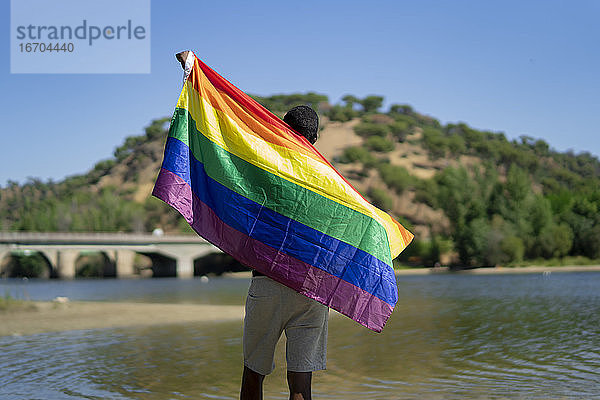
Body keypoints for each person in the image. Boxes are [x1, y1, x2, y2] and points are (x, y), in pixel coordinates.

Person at [175, 52, 328, 400]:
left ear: (281, 129)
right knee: (301, 385)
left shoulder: (264, 165)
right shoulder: (326, 179)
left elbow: (230, 131)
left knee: (253, 375)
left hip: (269, 283)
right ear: (315, 139)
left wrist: (192, 69)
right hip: (312, 286)